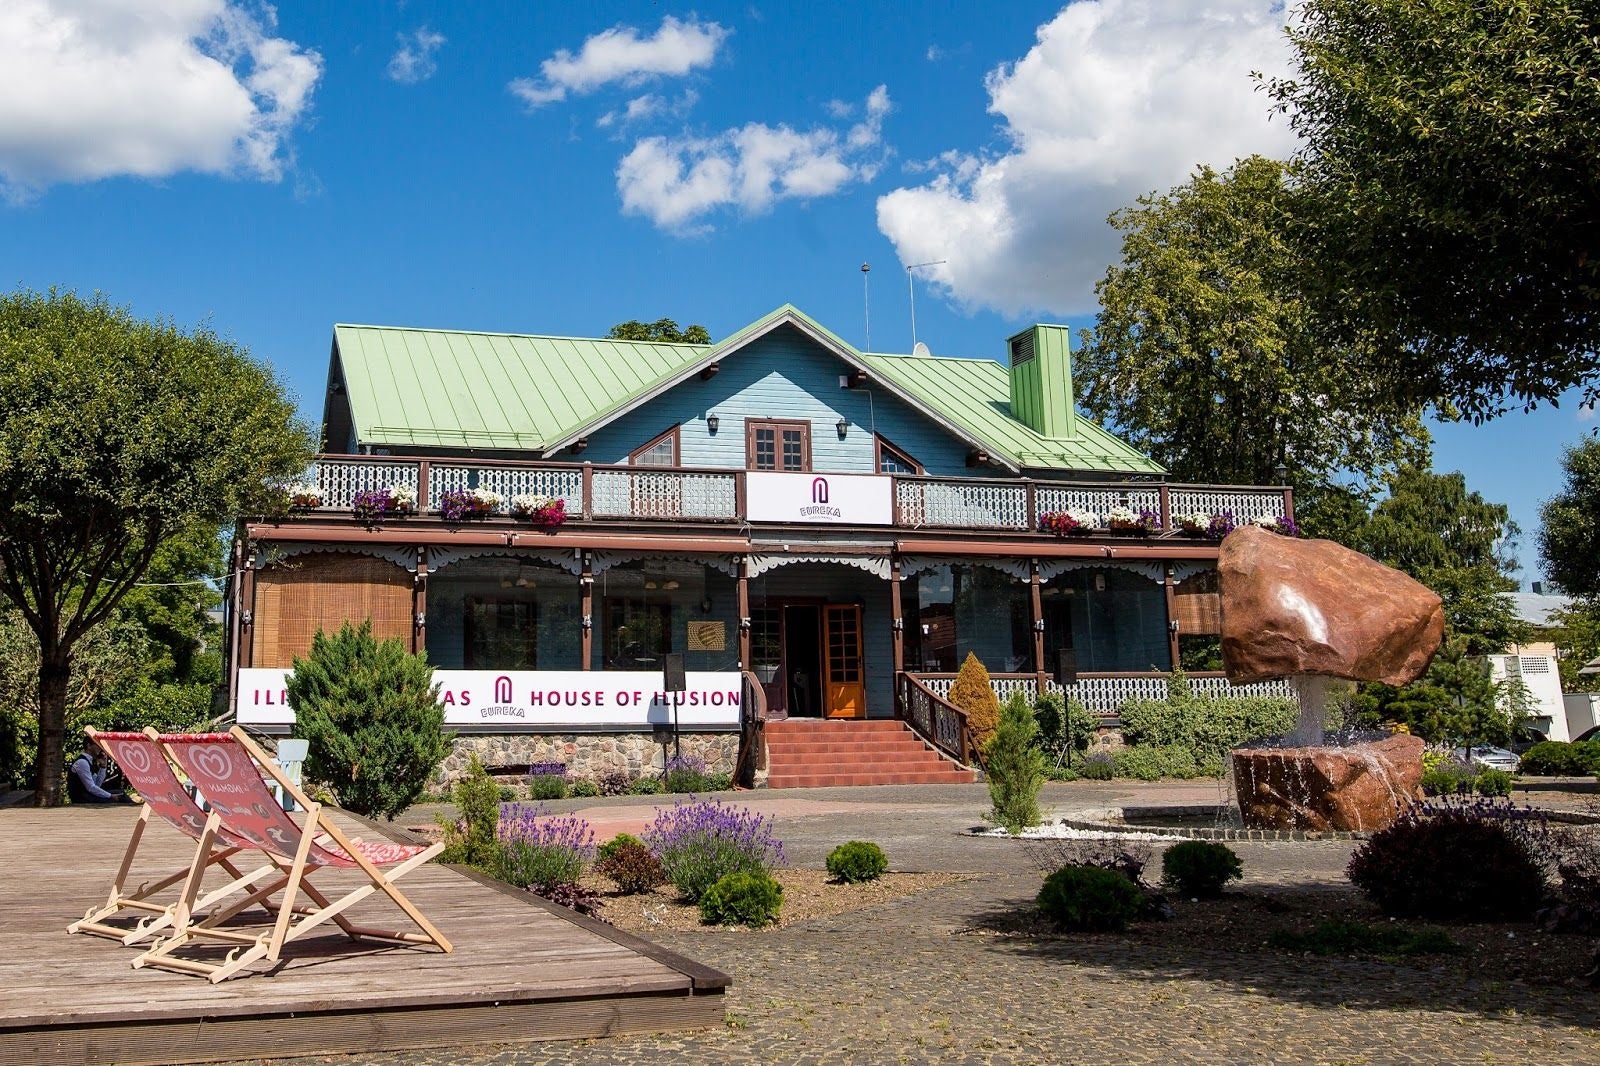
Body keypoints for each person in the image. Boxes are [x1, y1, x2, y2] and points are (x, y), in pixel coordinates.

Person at [67, 739, 131, 804]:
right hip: (82, 799)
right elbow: (91, 787)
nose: (100, 747)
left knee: (120, 793)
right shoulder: (82, 762)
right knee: (117, 799)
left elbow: (97, 785)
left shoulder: (90, 761)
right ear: (89, 746)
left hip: (90, 796)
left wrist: (103, 766)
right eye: (97, 744)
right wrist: (110, 796)